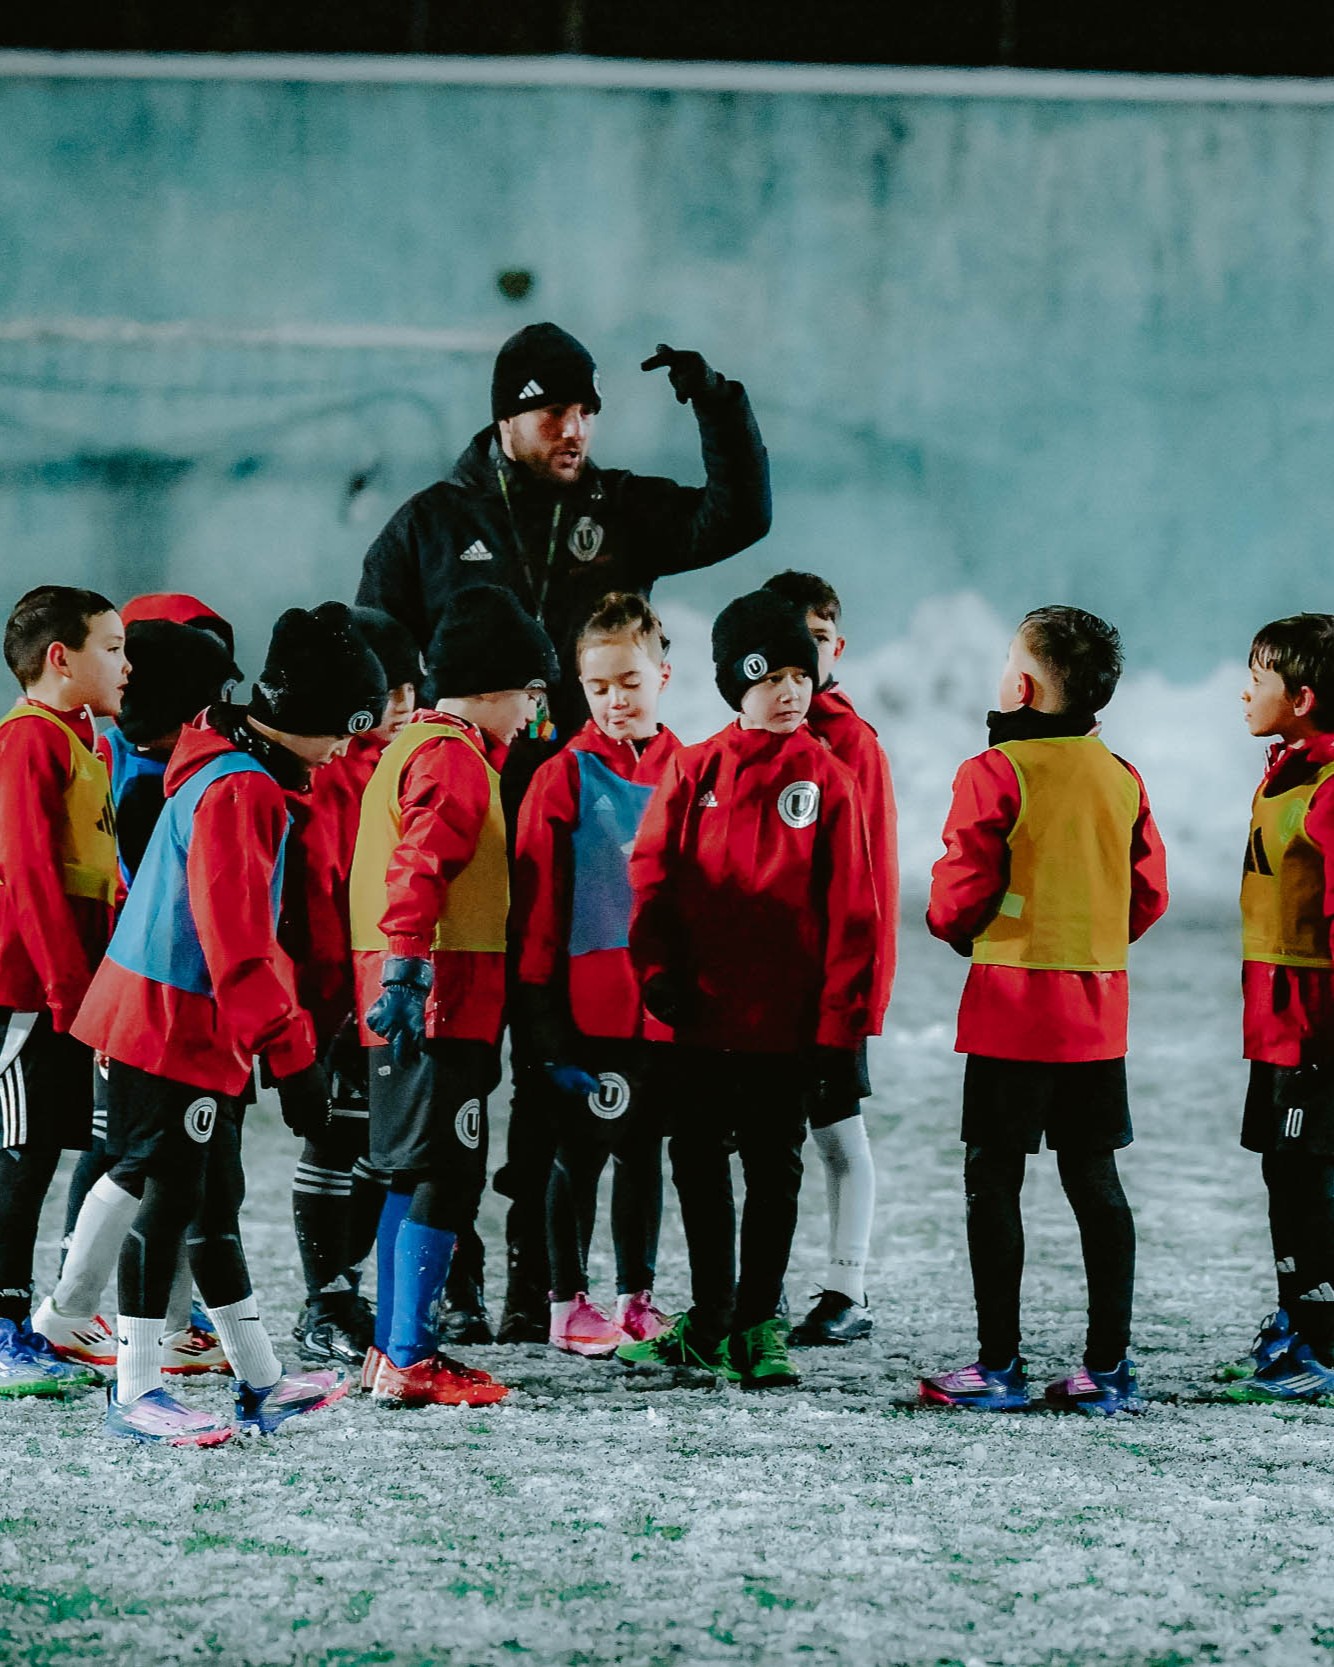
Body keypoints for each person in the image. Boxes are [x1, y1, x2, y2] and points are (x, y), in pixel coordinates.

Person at [356, 322, 773, 1342]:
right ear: (507, 414)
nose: (574, 426)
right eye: (553, 409)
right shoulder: (430, 523)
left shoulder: (617, 508)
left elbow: (738, 515)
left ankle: (535, 1286)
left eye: (585, 409)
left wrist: (719, 405)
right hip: (463, 831)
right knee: (461, 1058)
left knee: (554, 1076)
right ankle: (447, 1275)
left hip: (578, 833)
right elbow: (373, 647)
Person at [73, 602, 388, 1444]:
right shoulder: (242, 790)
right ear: (318, 716)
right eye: (347, 732)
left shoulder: (242, 775)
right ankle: (135, 1390)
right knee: (172, 1198)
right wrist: (295, 1061)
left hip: (185, 1022)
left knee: (214, 1197)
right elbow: (237, 944)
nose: (347, 752)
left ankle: (260, 1378)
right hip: (166, 1023)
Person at [621, 590, 879, 1389]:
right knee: (697, 1165)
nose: (793, 691)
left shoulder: (828, 781)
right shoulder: (693, 770)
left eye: (804, 674)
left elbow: (853, 913)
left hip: (785, 1028)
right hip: (699, 1022)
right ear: (739, 681)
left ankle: (759, 1322)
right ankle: (709, 1317)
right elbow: (651, 879)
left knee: (775, 1171)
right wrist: (657, 973)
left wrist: (840, 1029)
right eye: (774, 675)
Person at [919, 606, 1168, 1417]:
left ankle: (999, 1365)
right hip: (1097, 1012)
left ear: (1021, 685)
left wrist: (961, 931)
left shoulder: (995, 771)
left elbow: (959, 891)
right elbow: (1149, 891)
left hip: (1011, 1010)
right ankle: (1109, 1366)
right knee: (1095, 1179)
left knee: (993, 1177)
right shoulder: (1122, 775)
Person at [350, 585, 557, 1406]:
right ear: (496, 684)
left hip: (415, 994)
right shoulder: (454, 757)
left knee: (413, 1170)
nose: (533, 712)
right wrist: (408, 969)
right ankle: (411, 1354)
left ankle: (391, 1349)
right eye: (531, 694)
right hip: (441, 998)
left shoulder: (416, 746)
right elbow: (421, 866)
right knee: (445, 1173)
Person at [35, 597, 240, 1377]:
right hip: (154, 1005)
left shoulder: (164, 769)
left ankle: (116, 1318)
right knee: (132, 1157)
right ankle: (93, 1319)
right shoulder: (167, 780)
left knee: (157, 1161)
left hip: (147, 1001)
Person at [512, 593, 681, 1355]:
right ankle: (564, 1302)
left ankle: (635, 1298)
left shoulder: (691, 768)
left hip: (665, 1006)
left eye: (629, 682)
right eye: (599, 686)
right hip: (587, 1006)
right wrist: (543, 1013)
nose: (616, 700)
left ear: (663, 676)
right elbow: (539, 906)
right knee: (575, 1154)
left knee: (645, 1153)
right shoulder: (563, 776)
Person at [280, 607, 420, 1368]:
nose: (401, 702)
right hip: (335, 999)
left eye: (408, 685)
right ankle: (326, 1297)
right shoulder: (328, 771)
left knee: (377, 1146)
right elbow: (319, 895)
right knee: (333, 1142)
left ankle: (346, 1289)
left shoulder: (397, 763)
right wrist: (324, 1004)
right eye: (388, 688)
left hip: (379, 993)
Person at [761, 571, 898, 1346]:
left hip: (829, 988)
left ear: (835, 647)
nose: (800, 665)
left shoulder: (851, 745)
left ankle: (847, 1286)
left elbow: (870, 881)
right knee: (770, 1139)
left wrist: (859, 994)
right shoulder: (748, 740)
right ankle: (762, 1284)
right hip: (760, 993)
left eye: (814, 644)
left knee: (837, 1132)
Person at [0, 587, 126, 1397]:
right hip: (24, 989)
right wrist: (65, 988)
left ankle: (25, 1319)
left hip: (62, 991)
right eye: (111, 647)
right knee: (18, 1151)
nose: (125, 663)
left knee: (44, 1146)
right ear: (61, 657)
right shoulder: (27, 743)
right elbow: (32, 877)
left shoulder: (84, 744)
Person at [1222, 615, 1334, 1401]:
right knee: (1281, 1172)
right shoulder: (1288, 770)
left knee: (1306, 1182)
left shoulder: (1329, 791)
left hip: (1314, 1032)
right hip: (1274, 1025)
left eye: (1257, 678)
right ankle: (1301, 1320)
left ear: (1301, 697)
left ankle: (1322, 1344)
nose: (1244, 689)